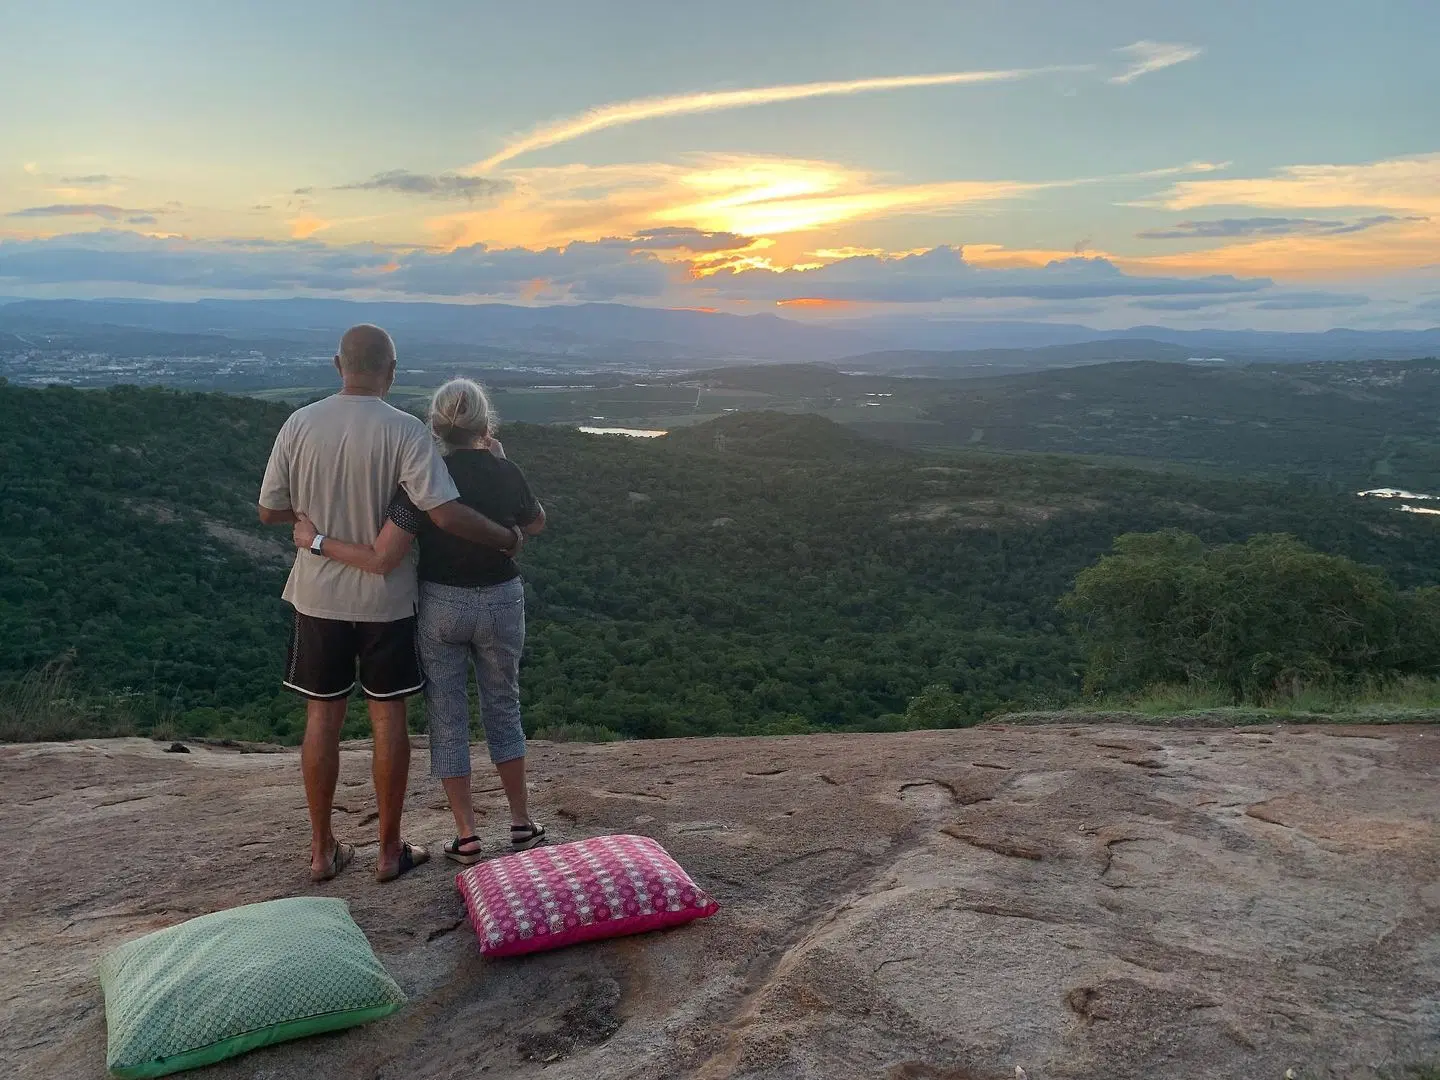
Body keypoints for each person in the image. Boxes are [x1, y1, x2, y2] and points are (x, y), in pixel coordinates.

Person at [258, 327, 522, 884]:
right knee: (388, 718)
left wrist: (311, 526)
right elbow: (444, 513)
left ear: (338, 365)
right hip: (387, 602)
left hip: (317, 596)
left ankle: (322, 850)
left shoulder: (299, 423)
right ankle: (387, 851)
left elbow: (270, 509)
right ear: (392, 370)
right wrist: (505, 537)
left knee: (322, 717)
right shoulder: (405, 432)